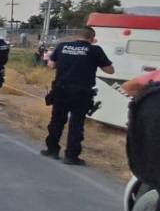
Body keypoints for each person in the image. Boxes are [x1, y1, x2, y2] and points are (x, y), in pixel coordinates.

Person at [41, 27, 115, 165]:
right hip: (82, 93)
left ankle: (52, 150)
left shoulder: (62, 46)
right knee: (76, 125)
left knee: (56, 121)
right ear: (92, 39)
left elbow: (51, 65)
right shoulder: (95, 50)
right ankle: (71, 156)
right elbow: (110, 70)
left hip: (61, 90)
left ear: (76, 36)